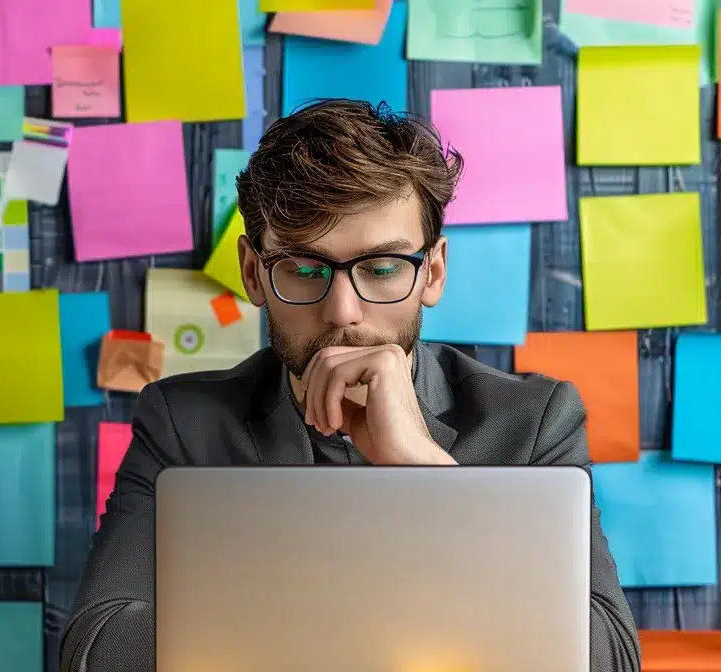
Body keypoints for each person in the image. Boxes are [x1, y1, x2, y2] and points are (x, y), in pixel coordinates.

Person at [59, 99, 642, 671]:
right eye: (304, 269)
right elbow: (97, 651)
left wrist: (429, 478)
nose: (343, 311)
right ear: (252, 272)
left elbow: (609, 661)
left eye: (383, 268)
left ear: (432, 272)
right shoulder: (182, 422)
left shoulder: (536, 421)